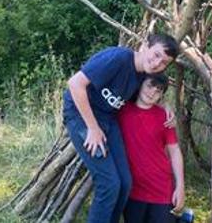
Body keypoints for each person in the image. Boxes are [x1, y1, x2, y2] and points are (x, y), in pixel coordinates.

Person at [63, 34, 179, 223]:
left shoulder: (144, 75)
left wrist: (165, 106)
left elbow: (150, 94)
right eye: (156, 54)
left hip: (108, 119)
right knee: (109, 183)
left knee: (125, 183)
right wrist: (92, 128)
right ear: (144, 46)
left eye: (164, 62)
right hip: (81, 116)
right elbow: (75, 84)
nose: (157, 63)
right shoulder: (117, 58)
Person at [119, 73, 185, 223]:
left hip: (161, 189)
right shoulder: (122, 110)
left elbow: (174, 151)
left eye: (158, 90)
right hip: (133, 191)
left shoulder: (164, 117)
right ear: (140, 85)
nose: (152, 92)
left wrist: (180, 186)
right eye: (150, 86)